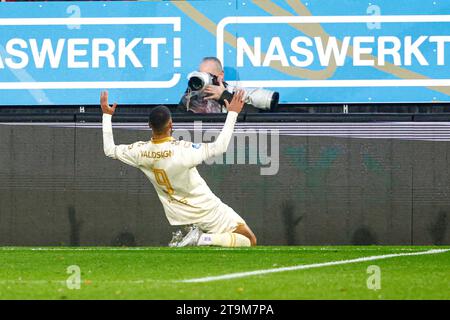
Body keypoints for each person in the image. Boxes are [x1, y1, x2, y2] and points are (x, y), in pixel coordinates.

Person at [101, 90, 257, 247]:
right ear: (171, 124)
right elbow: (220, 147)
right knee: (249, 240)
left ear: (149, 125)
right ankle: (201, 239)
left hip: (180, 215)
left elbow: (109, 150)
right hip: (206, 209)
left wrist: (107, 115)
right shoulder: (183, 150)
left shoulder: (140, 151)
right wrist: (232, 114)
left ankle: (196, 235)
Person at [178, 57, 278, 113]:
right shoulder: (194, 96)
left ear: (220, 75)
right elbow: (178, 120)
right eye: (200, 75)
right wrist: (191, 89)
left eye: (208, 75)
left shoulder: (234, 93)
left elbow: (257, 117)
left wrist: (224, 96)